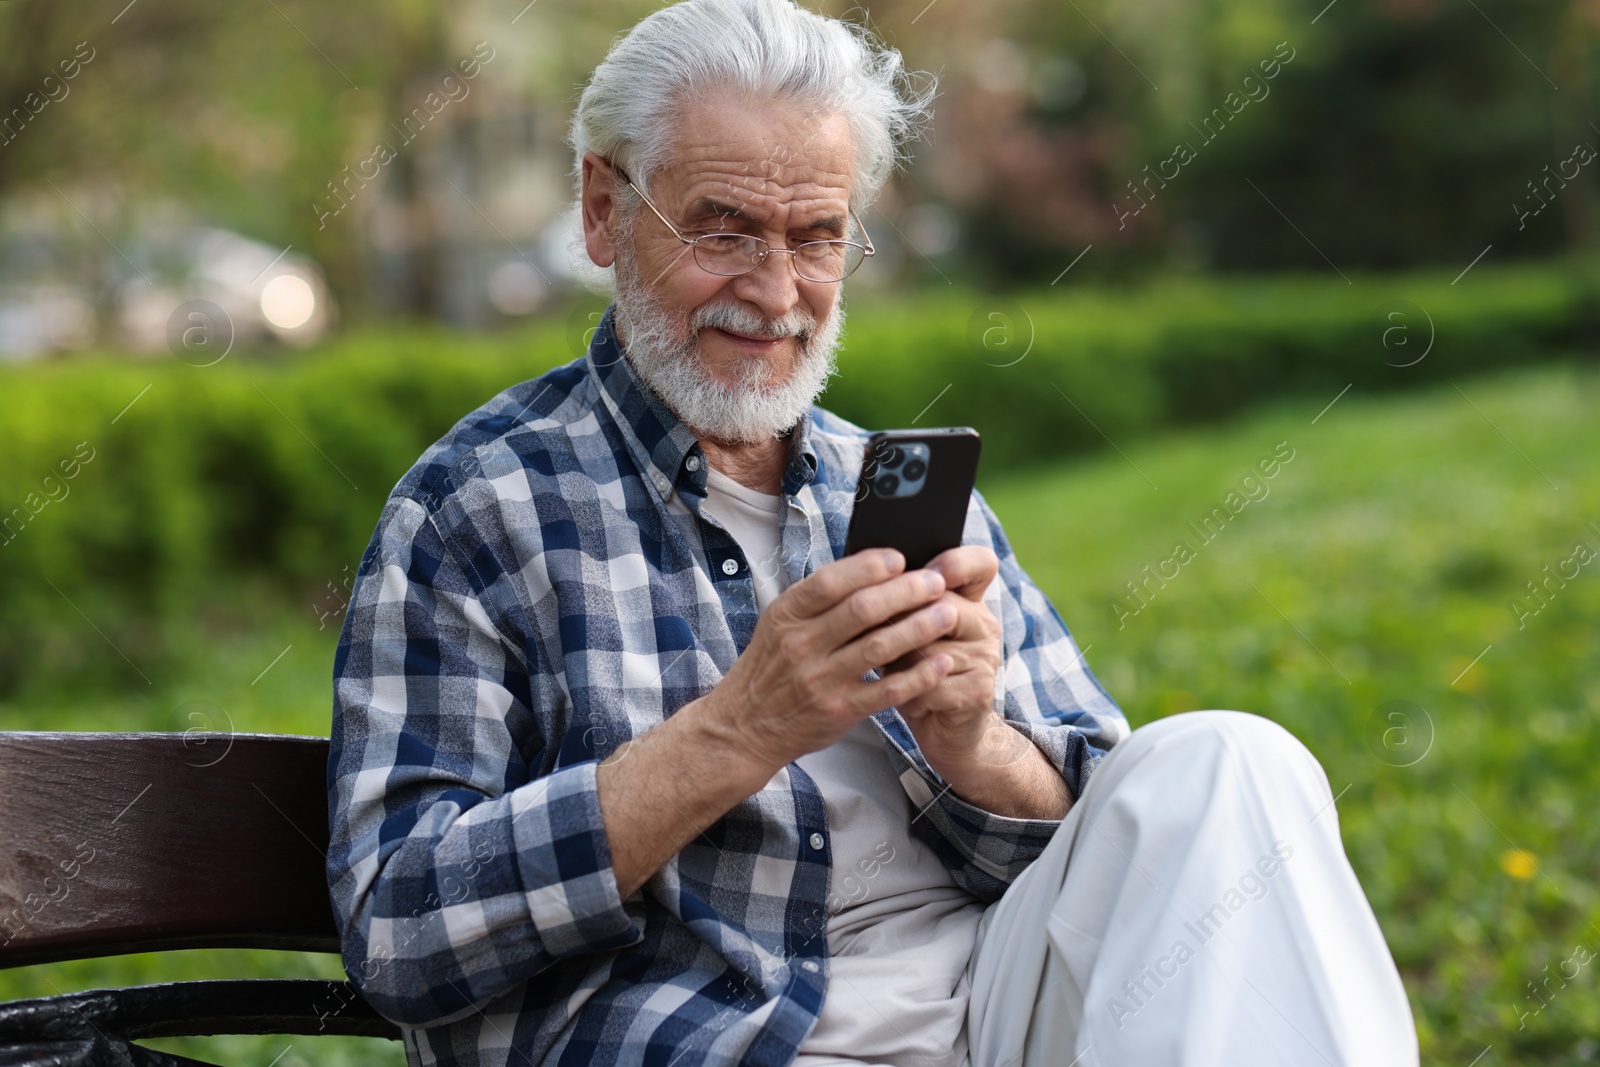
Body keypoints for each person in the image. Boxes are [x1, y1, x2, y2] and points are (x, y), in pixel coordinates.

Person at [326, 1, 1420, 1064]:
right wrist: (738, 729)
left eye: (816, 236)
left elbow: (1113, 840)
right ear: (606, 209)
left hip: (993, 1006)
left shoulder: (889, 484)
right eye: (723, 228)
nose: (775, 290)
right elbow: (400, 930)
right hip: (716, 1030)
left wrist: (971, 745)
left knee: (1227, 763)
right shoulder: (476, 507)